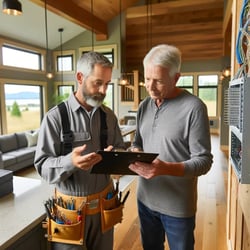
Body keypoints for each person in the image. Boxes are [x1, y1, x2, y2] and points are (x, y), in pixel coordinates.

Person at [34, 51, 125, 250]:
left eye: (107, 84)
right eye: (98, 83)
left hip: (104, 209)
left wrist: (116, 156)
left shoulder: (109, 116)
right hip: (70, 215)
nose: (103, 90)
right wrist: (70, 162)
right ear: (79, 77)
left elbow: (120, 147)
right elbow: (42, 166)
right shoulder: (55, 118)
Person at [128, 44, 213, 250]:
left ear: (176, 78)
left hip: (178, 208)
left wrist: (164, 168)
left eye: (158, 80)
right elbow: (137, 141)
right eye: (147, 79)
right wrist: (135, 152)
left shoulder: (194, 107)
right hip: (145, 200)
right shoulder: (144, 106)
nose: (150, 86)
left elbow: (203, 162)